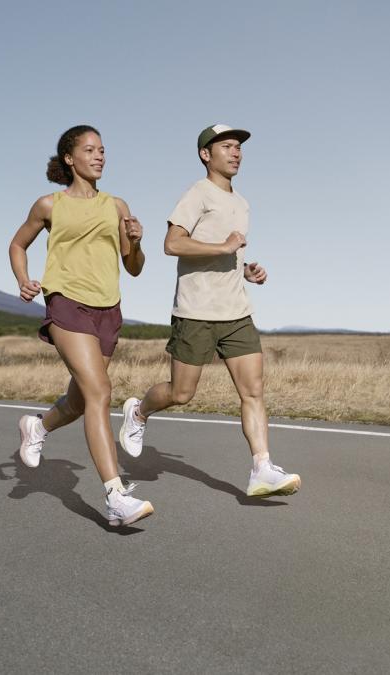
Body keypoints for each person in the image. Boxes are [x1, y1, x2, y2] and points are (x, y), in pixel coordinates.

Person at [118, 124, 300, 498]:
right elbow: (172, 243)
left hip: (236, 312)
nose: (236, 153)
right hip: (196, 311)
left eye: (238, 147)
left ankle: (262, 468)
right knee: (181, 393)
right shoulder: (197, 194)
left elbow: (230, 251)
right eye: (227, 146)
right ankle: (138, 412)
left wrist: (246, 270)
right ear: (206, 154)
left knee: (253, 391)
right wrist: (222, 247)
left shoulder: (242, 203)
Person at [8, 124, 155, 527]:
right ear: (70, 158)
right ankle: (115, 495)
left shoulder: (117, 206)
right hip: (66, 302)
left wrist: (137, 241)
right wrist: (23, 279)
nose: (99, 156)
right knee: (101, 392)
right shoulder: (49, 205)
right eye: (90, 150)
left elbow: (134, 268)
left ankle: (38, 426)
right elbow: (17, 244)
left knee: (80, 400)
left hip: (108, 309)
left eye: (102, 150)